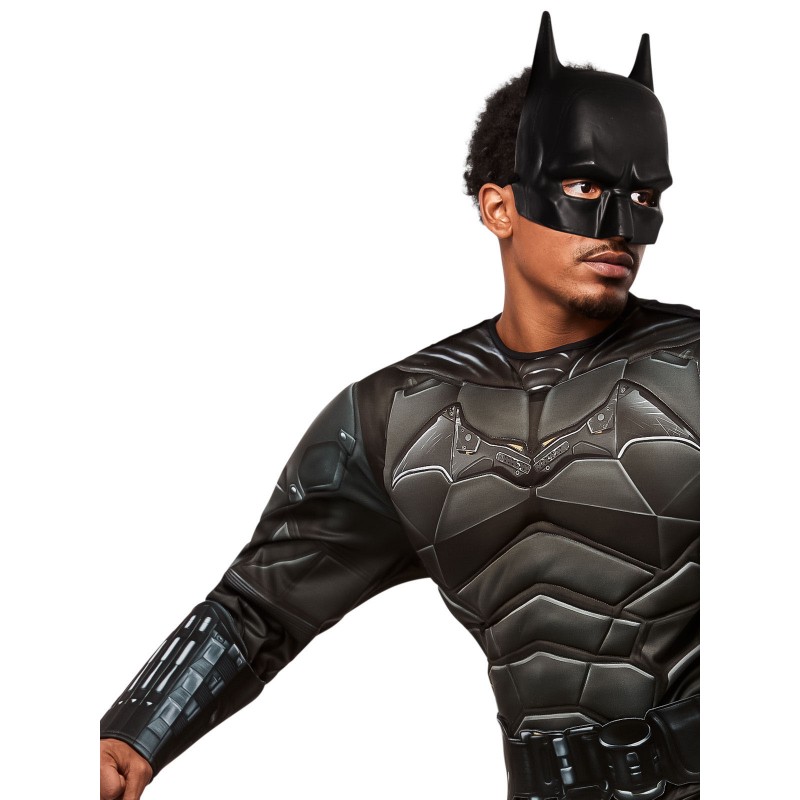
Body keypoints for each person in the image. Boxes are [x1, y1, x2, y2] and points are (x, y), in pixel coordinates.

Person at [100, 12, 699, 800]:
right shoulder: (400, 416)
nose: (622, 227)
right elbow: (259, 608)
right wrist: (133, 734)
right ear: (498, 207)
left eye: (644, 195)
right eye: (586, 188)